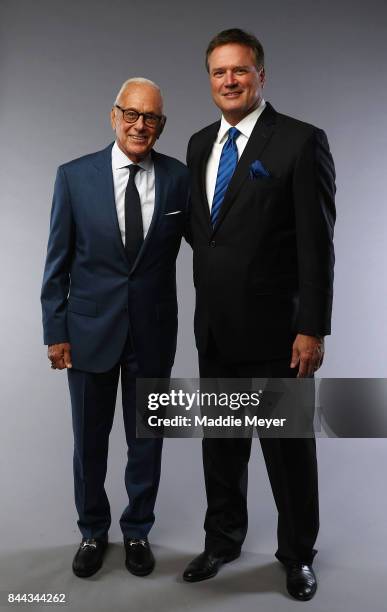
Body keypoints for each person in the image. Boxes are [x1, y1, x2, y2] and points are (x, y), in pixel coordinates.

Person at [183, 29, 336, 601]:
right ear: (210, 79)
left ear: (260, 76)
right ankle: (222, 540)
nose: (229, 81)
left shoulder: (299, 141)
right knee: (221, 447)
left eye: (239, 71)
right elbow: (205, 235)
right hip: (216, 331)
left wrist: (312, 327)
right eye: (219, 73)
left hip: (280, 334)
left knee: (289, 453)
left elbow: (316, 247)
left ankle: (297, 555)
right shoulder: (200, 144)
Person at [41, 77, 189, 578]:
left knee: (147, 438)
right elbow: (55, 265)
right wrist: (55, 331)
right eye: (132, 114)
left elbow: (214, 250)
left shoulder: (178, 179)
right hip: (86, 333)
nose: (140, 125)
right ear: (114, 115)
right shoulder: (74, 176)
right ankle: (91, 531)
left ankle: (138, 530)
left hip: (152, 333)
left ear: (161, 125)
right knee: (89, 440)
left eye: (151, 118)